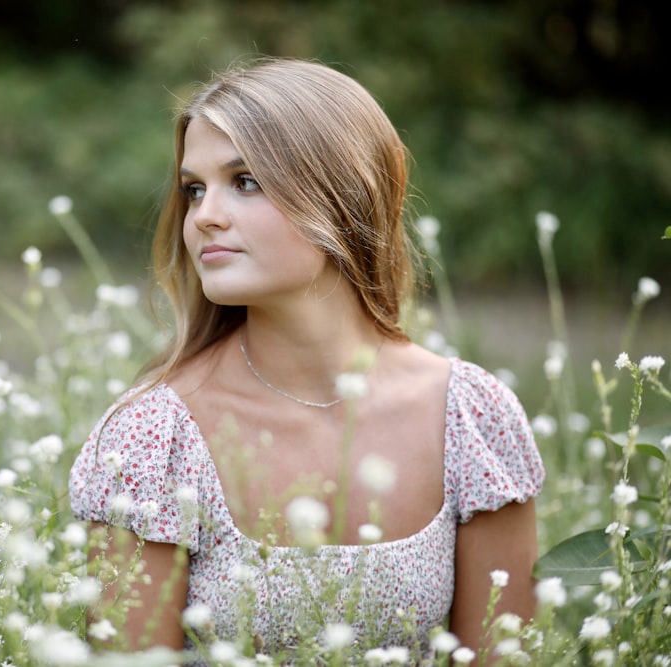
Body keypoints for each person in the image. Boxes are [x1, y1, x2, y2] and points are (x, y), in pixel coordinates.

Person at [68, 58, 544, 664]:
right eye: (194, 189)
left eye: (244, 181)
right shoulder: (153, 437)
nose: (205, 215)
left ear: (344, 194)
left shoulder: (474, 418)